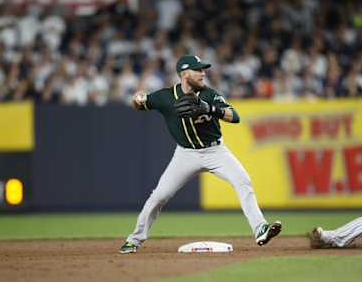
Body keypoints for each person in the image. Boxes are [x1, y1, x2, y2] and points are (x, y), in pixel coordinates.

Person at [119, 55, 282, 253]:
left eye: (203, 69)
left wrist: (210, 109)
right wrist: (138, 99)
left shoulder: (209, 94)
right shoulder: (165, 97)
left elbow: (235, 116)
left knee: (243, 181)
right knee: (159, 196)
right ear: (185, 74)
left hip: (215, 151)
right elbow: (139, 102)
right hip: (185, 154)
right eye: (198, 70)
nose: (203, 73)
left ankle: (260, 229)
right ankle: (134, 240)